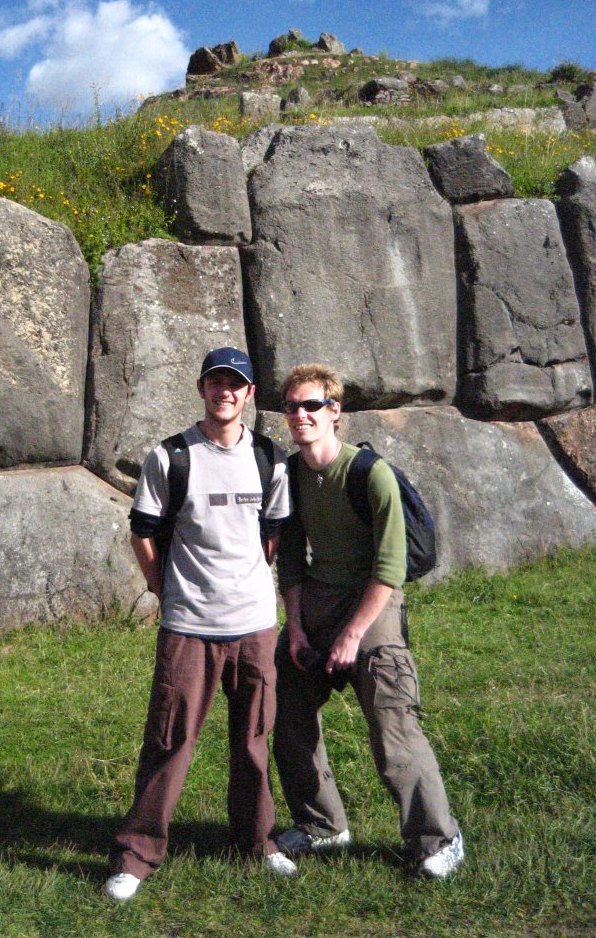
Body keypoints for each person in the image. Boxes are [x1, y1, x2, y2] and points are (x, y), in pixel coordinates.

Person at [105, 347, 297, 902]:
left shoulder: (270, 459)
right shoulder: (170, 457)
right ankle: (136, 855)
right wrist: (161, 587)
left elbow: (272, 535)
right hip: (189, 625)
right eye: (216, 382)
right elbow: (143, 529)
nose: (225, 392)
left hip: (255, 625)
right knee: (170, 740)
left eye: (235, 384)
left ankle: (257, 842)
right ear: (201, 388)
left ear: (250, 394)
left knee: (254, 740)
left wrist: (247, 583)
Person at [273, 363, 464, 879]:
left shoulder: (369, 473)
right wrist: (294, 627)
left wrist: (354, 636)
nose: (300, 415)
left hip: (374, 604)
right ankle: (322, 826)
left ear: (335, 412)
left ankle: (437, 839)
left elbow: (390, 566)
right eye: (291, 406)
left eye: (311, 405)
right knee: (286, 711)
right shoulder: (289, 475)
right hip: (316, 599)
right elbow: (290, 559)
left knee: (391, 722)